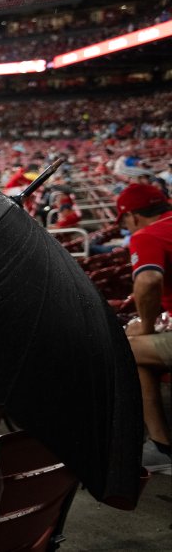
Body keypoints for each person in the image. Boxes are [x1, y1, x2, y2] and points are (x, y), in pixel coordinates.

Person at [118, 183, 172, 457]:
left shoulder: (147, 236)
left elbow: (149, 280)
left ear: (133, 216)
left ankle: (162, 447)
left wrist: (148, 328)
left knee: (126, 347)